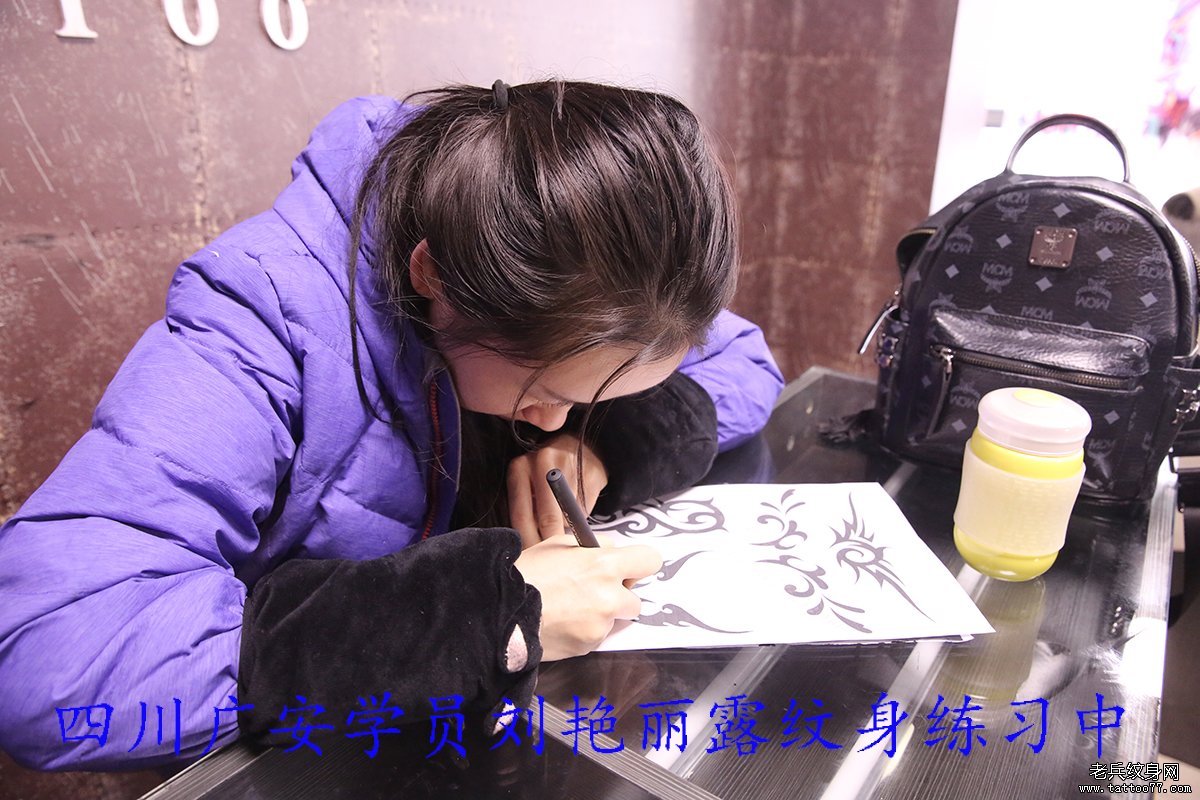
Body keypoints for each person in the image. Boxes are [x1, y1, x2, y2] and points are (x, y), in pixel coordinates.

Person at [0, 80, 783, 769]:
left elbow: (746, 364)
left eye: (591, 400)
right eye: (545, 392)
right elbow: (49, 658)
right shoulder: (262, 316)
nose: (555, 417)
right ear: (434, 276)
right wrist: (486, 616)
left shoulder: (604, 271)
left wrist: (598, 440)